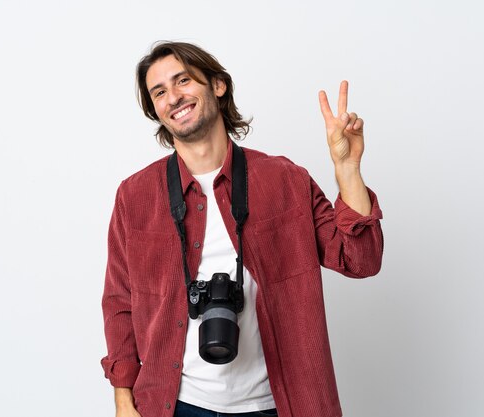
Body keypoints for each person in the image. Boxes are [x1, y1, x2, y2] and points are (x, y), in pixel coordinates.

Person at [101, 41, 384, 417]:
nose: (173, 98)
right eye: (159, 92)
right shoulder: (134, 196)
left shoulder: (285, 181)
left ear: (218, 85)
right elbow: (120, 302)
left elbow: (361, 260)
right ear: (155, 110)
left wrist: (348, 170)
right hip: (173, 405)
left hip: (277, 406)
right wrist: (123, 399)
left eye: (183, 80)